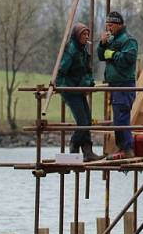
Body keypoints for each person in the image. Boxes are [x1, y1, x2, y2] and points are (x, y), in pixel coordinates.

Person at [56, 22, 102, 161]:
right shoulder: (71, 50)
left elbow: (86, 71)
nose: (86, 36)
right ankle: (74, 144)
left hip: (79, 89)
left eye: (87, 34)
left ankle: (88, 152)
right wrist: (64, 86)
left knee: (87, 120)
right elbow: (62, 71)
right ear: (77, 35)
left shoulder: (83, 51)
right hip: (70, 90)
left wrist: (89, 83)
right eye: (83, 34)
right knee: (83, 121)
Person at [98, 11, 138, 158]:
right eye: (107, 25)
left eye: (111, 25)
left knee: (121, 117)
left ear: (119, 25)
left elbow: (129, 59)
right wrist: (102, 44)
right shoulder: (112, 39)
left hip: (124, 84)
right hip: (115, 85)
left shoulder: (128, 40)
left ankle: (126, 149)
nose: (108, 28)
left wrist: (113, 54)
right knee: (118, 118)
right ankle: (123, 148)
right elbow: (100, 56)